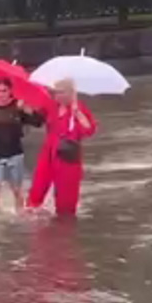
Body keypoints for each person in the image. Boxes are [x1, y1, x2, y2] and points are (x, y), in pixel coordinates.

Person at [27, 78, 96, 218]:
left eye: (60, 92)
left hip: (68, 158)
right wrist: (25, 109)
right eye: (55, 92)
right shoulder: (52, 106)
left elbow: (89, 130)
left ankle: (64, 226)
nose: (56, 95)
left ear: (71, 93)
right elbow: (36, 119)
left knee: (66, 203)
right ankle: (32, 215)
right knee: (38, 187)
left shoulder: (79, 108)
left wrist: (78, 114)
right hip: (49, 152)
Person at [0, 78, 44, 213]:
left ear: (10, 91)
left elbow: (38, 122)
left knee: (16, 190)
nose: (1, 94)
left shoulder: (17, 107)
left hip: (14, 155)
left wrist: (27, 110)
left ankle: (19, 215)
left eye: (4, 91)